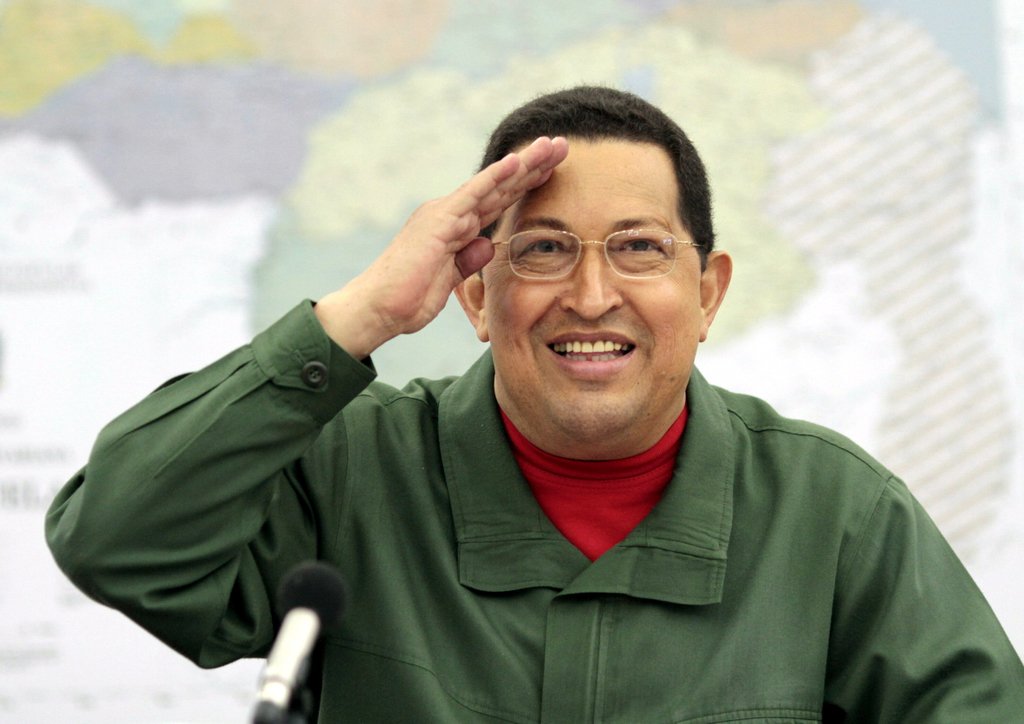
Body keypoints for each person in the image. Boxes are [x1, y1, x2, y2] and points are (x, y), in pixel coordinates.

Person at [47, 86, 1024, 722]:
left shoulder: (836, 512)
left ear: (708, 292)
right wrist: (355, 318)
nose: (590, 297)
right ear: (476, 295)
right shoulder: (350, 468)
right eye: (544, 249)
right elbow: (115, 541)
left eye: (638, 248)